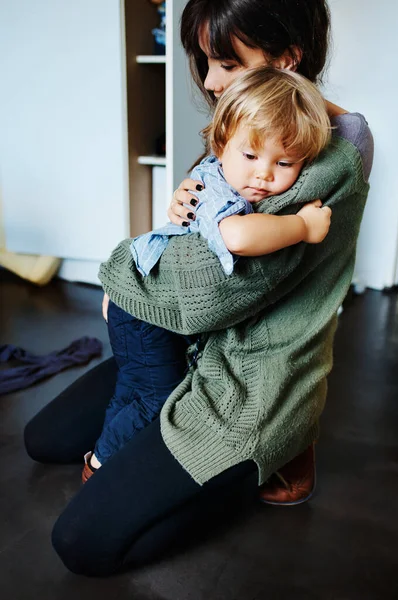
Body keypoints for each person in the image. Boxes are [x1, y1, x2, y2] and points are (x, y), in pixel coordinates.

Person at [23, 0, 373, 576]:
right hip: (191, 344)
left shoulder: (329, 152)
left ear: (287, 59)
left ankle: (269, 457)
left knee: (81, 541)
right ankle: (165, 418)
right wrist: (185, 206)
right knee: (44, 438)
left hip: (246, 380)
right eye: (204, 61)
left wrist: (124, 275)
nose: (209, 81)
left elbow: (216, 289)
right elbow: (197, 232)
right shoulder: (248, 127)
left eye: (226, 63)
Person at [84, 66, 332, 482]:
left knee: (133, 387)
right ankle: (102, 465)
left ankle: (103, 451)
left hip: (146, 307)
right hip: (144, 313)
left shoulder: (241, 179)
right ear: (220, 146)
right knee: (157, 397)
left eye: (284, 162)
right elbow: (236, 236)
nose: (264, 174)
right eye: (250, 156)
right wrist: (302, 227)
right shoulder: (215, 188)